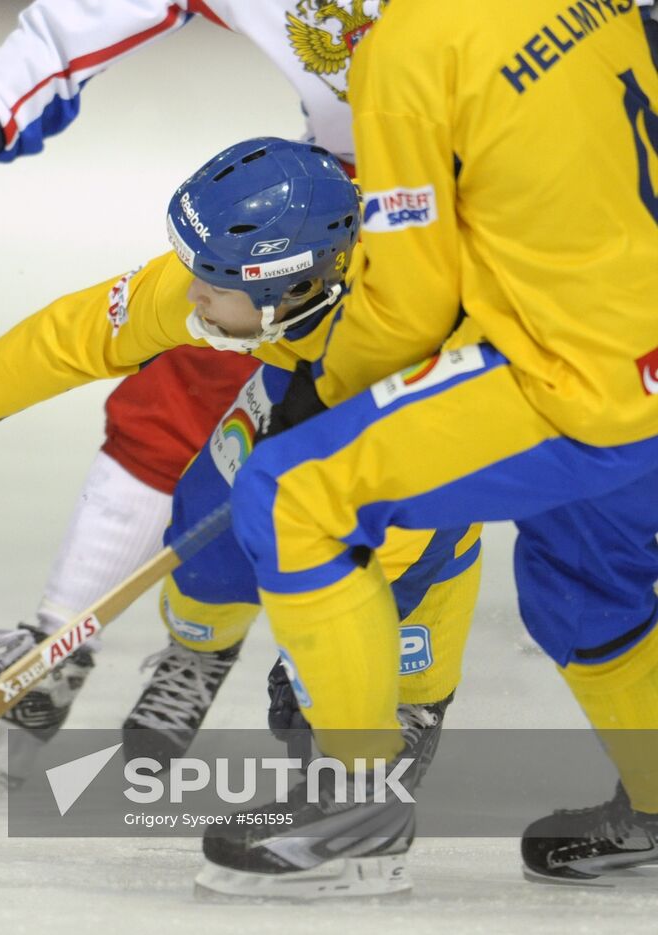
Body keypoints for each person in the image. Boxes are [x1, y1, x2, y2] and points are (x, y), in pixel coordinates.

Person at [0, 137, 481, 896]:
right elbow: (86, 332)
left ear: (290, 291)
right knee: (210, 507)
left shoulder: (425, 327)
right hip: (300, 405)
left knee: (343, 665)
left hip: (416, 476)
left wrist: (328, 660)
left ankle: (391, 748)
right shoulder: (256, 278)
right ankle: (199, 649)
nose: (192, 293)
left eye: (216, 282)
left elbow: (399, 543)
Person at [185, 0, 658, 895]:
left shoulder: (408, 48)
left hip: (573, 374)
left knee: (293, 495)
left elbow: (407, 294)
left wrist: (318, 395)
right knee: (586, 584)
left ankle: (357, 802)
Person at [0, 0, 392, 781]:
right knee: (191, 383)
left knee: (427, 447)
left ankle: (380, 689)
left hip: (533, 223)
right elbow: (91, 16)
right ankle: (59, 644)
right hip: (337, 202)